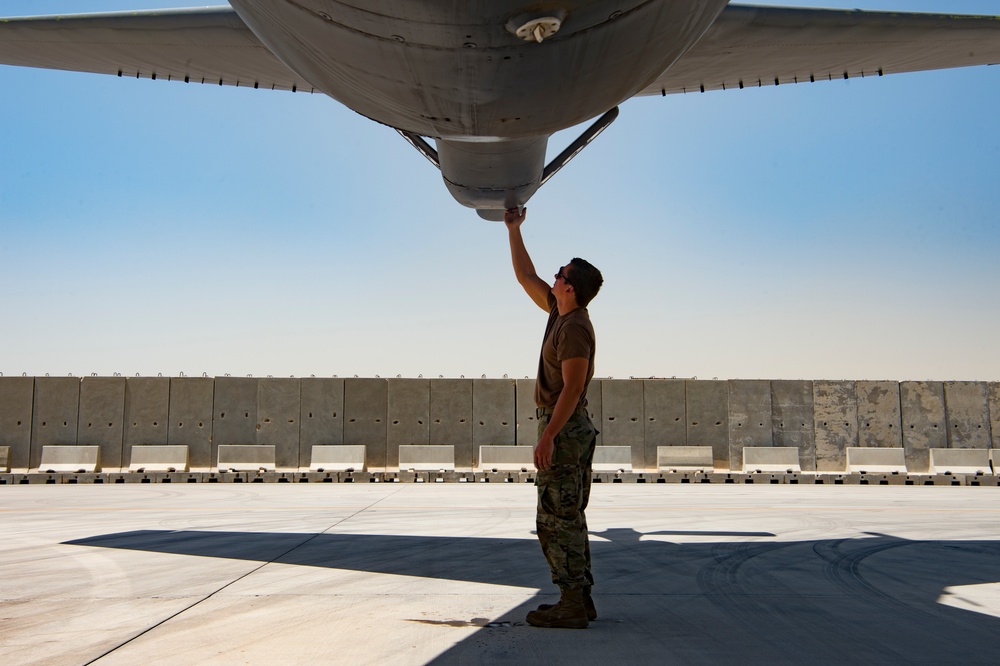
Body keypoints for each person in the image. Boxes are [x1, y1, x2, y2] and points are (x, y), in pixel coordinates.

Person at [504, 206, 603, 629]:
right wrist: (514, 229)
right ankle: (579, 597)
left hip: (564, 427)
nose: (554, 276)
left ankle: (571, 602)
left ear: (571, 288)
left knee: (555, 519)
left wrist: (548, 438)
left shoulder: (575, 327)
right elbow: (525, 276)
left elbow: (573, 389)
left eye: (560, 274)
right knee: (568, 515)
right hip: (562, 426)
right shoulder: (558, 312)